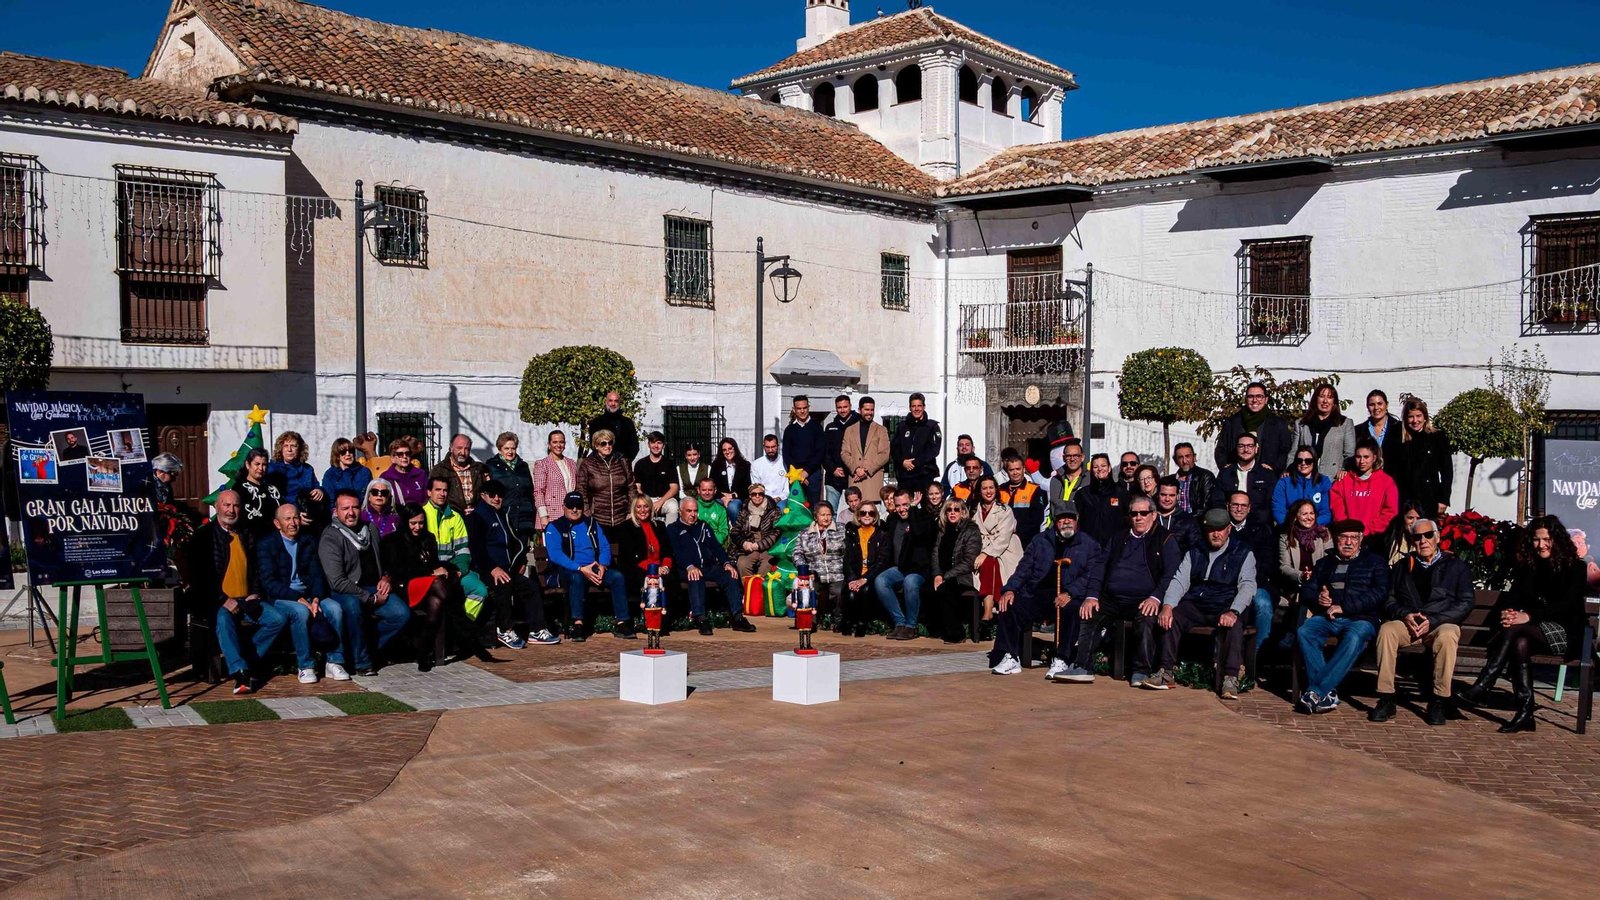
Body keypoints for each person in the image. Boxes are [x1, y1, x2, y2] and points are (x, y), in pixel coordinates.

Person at [1457, 516, 1589, 733]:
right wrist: (1508, 613)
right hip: (1531, 632)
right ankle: (1525, 713)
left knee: (1518, 631)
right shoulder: (1528, 566)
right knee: (1518, 641)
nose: (1541, 545)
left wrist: (1528, 616)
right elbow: (1514, 596)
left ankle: (1483, 685)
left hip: (1565, 633)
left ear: (1557, 539)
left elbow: (1566, 606)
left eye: (1547, 539)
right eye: (1536, 540)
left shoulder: (1575, 567)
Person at [1369, 517, 1475, 726]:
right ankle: (1386, 697)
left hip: (1439, 623)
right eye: (1417, 537)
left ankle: (1438, 700)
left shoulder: (1456, 566)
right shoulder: (1402, 566)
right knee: (1387, 630)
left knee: (1448, 635)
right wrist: (1405, 614)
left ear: (1437, 537)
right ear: (1412, 540)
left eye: (1428, 535)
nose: (1423, 541)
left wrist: (1434, 620)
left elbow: (1465, 602)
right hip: (1409, 622)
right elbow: (1389, 599)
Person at [1071, 495, 1179, 687]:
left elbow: (1171, 573)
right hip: (1112, 597)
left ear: (1153, 515)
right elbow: (1100, 566)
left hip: (1144, 599)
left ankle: (1141, 670)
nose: (1139, 517)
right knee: (1089, 612)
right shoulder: (1119, 537)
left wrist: (1155, 597)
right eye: (1134, 513)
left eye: (1143, 513)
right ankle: (1082, 667)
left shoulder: (1165, 539)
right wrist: (1092, 595)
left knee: (1146, 619)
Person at [1153, 508, 1257, 698]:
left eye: (1220, 529)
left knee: (1234, 625)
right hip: (1198, 602)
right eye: (1211, 530)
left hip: (1226, 603)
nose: (1216, 534)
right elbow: (1180, 580)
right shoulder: (1195, 551)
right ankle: (1165, 671)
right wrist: (1167, 606)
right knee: (1171, 616)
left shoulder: (1242, 552)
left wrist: (1234, 611)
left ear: (1229, 529)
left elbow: (1248, 586)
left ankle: (1230, 677)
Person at [992, 502, 1103, 679]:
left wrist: (1071, 592)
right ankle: (1011, 656)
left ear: (1077, 520)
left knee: (1074, 610)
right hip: (1039, 593)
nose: (1066, 522)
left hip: (1069, 595)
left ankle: (1062, 658)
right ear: (1054, 520)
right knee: (1010, 604)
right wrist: (1010, 589)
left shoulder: (1089, 545)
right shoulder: (1040, 540)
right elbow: (1024, 568)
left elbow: (1091, 574)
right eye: (1061, 518)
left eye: (1070, 518)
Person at [191, 490, 281, 694]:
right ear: (217, 507)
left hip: (246, 598)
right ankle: (240, 672)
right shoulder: (203, 536)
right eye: (226, 505)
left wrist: (256, 592)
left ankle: (245, 661)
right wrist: (223, 599)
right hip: (217, 601)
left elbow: (257, 568)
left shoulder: (246, 533)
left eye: (235, 506)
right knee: (222, 620)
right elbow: (199, 576)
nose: (231, 510)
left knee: (276, 619)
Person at [1295, 519, 1390, 713]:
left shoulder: (1375, 562)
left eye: (1353, 538)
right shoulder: (1324, 563)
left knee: (1354, 637)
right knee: (1306, 631)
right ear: (1336, 539)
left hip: (1361, 619)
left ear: (1360, 540)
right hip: (1328, 618)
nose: (1348, 542)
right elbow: (1307, 591)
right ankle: (1327, 694)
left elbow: (1380, 594)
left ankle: (1316, 691)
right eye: (1343, 537)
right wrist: (1318, 598)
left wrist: (1344, 607)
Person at [381, 502, 490, 671]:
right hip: (405, 586)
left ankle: (423, 653)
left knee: (436, 603)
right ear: (405, 522)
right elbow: (400, 570)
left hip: (427, 586)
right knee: (438, 584)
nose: (418, 527)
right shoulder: (393, 541)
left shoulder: (428, 538)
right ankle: (469, 632)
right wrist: (430, 573)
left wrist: (446, 569)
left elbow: (433, 564)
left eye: (421, 523)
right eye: (413, 523)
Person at [319, 490, 412, 676]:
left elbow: (385, 561)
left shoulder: (370, 529)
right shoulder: (331, 537)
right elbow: (337, 581)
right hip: (346, 590)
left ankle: (365, 648)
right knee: (353, 608)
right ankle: (362, 662)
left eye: (354, 507)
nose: (351, 512)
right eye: (345, 508)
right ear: (335, 511)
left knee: (401, 614)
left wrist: (386, 577)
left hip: (373, 586)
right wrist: (369, 598)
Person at [469, 480, 562, 645]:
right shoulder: (477, 517)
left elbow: (513, 542)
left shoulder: (502, 514)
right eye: (492, 495)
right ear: (483, 496)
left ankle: (537, 630)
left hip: (507, 569)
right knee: (504, 585)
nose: (497, 498)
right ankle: (504, 630)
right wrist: (492, 568)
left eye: (500, 495)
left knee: (531, 587)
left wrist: (521, 560)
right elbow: (477, 548)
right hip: (486, 570)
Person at [544, 491, 630, 642]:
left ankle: (622, 622)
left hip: (594, 568)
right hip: (568, 570)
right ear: (564, 507)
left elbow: (604, 547)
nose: (574, 510)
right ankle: (578, 624)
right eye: (571, 506)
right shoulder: (555, 526)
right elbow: (555, 554)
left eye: (578, 506)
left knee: (617, 577)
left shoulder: (592, 524)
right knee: (577, 578)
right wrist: (580, 568)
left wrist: (603, 565)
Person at [253, 503, 324, 684]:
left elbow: (317, 573)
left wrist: (316, 598)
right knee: (300, 612)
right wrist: (299, 599)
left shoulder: (308, 541)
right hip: (280, 597)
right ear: (277, 524)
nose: (293, 523)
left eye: (295, 518)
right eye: (287, 519)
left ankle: (336, 660)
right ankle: (305, 666)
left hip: (308, 595)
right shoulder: (267, 544)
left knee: (334, 608)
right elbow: (269, 583)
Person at [666, 500, 758, 635]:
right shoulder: (673, 529)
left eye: (695, 511)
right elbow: (676, 552)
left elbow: (716, 547)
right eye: (689, 511)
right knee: (695, 577)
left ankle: (737, 617)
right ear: (680, 512)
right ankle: (700, 618)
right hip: (685, 568)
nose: (693, 514)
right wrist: (689, 566)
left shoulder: (703, 526)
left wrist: (726, 563)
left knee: (730, 575)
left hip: (708, 566)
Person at [422, 475, 489, 635]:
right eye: (438, 490)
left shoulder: (455, 517)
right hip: (431, 572)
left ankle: (460, 631)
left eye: (445, 490)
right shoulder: (421, 515)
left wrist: (459, 570)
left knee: (479, 590)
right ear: (429, 492)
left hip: (453, 569)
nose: (442, 494)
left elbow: (463, 550)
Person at [875, 488, 936, 640]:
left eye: (906, 505)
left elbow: (919, 533)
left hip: (919, 569)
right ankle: (899, 623)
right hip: (900, 567)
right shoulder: (893, 520)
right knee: (880, 581)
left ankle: (911, 626)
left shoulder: (924, 517)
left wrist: (914, 510)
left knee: (910, 582)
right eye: (898, 505)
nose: (902, 509)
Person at [1223, 490, 1278, 658]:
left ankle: (1255, 657)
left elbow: (1268, 563)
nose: (1239, 509)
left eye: (1243, 505)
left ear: (1249, 508)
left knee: (1263, 606)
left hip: (1255, 583)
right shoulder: (1220, 529)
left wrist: (1251, 585)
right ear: (1228, 507)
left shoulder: (1261, 530)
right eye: (1235, 505)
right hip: (1226, 584)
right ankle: (1221, 659)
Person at [970, 475, 1023, 622]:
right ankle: (988, 611)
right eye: (985, 488)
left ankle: (992, 611)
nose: (988, 491)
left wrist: (985, 553)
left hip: (1006, 549)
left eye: (991, 488)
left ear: (996, 489)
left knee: (989, 562)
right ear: (979, 491)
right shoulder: (975, 511)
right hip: (984, 548)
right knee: (986, 564)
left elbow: (1003, 537)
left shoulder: (1005, 510)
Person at [928, 499, 982, 643]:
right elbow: (935, 554)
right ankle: (937, 628)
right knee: (926, 588)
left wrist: (945, 576)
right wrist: (937, 574)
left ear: (963, 512)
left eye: (956, 509)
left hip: (963, 576)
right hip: (944, 574)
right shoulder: (943, 530)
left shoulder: (971, 530)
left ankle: (957, 633)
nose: (952, 513)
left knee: (946, 590)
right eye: (949, 510)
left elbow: (969, 562)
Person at [1391, 397, 1454, 519]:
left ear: (1425, 417)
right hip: (1404, 498)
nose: (1415, 420)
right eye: (1411, 416)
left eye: (1418, 416)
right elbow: (1393, 471)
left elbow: (1447, 472)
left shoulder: (1437, 437)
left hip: (1429, 497)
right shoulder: (1398, 439)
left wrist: (1444, 499)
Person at [1215, 381, 1295, 473]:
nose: (1255, 400)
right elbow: (1221, 449)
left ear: (1266, 399)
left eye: (1259, 396)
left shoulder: (1278, 424)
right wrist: (1225, 467)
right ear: (1246, 399)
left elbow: (1285, 451)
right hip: (1236, 476)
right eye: (1251, 396)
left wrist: (1274, 468)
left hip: (1267, 477)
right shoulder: (1233, 422)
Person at [792, 501, 847, 628]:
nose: (826, 518)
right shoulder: (805, 533)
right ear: (815, 517)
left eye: (829, 514)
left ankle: (838, 620)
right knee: (808, 589)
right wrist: (805, 570)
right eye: (823, 515)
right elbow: (797, 553)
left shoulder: (841, 529)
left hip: (837, 572)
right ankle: (810, 621)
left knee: (838, 593)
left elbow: (848, 552)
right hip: (813, 572)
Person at [1330, 438, 1399, 536]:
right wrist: (1349, 530)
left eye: (1366, 457)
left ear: (1374, 458)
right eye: (1358, 457)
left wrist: (1368, 530)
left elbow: (1390, 511)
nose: (1362, 461)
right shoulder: (1343, 481)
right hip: (1347, 535)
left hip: (1375, 537)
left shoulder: (1386, 482)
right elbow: (1337, 509)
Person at [1209, 433, 1275, 529]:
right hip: (1230, 527)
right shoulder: (1226, 473)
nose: (1246, 450)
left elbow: (1269, 504)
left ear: (1256, 449)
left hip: (1259, 528)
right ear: (1236, 449)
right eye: (1241, 446)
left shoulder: (1266, 474)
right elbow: (1217, 501)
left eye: (1250, 446)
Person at [615, 494, 673, 599]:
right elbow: (632, 556)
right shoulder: (626, 527)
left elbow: (667, 550)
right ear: (634, 509)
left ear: (650, 508)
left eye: (646, 506)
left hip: (660, 567)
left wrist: (665, 566)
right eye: (639, 507)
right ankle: (648, 613)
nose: (642, 510)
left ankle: (665, 613)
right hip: (638, 568)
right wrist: (654, 569)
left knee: (670, 578)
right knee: (648, 580)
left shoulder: (659, 526)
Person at [842, 503, 887, 638]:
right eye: (863, 513)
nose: (867, 516)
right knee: (850, 593)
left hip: (871, 576)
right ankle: (849, 622)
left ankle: (862, 623)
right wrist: (852, 579)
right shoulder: (852, 533)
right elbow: (847, 559)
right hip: (855, 574)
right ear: (858, 516)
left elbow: (881, 562)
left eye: (870, 513)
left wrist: (865, 578)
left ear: (875, 516)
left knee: (866, 590)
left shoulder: (882, 534)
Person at [1296, 383, 1356, 483]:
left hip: (1333, 479)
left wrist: (1344, 469)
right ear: (1316, 399)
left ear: (1334, 402)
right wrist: (1288, 471)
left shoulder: (1344, 424)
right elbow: (1293, 452)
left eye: (1329, 397)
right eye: (1322, 396)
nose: (1325, 401)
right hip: (1304, 479)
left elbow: (1350, 453)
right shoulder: (1301, 424)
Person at [576, 429, 634, 533]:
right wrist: (587, 512)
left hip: (622, 516)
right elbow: (581, 489)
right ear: (596, 445)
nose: (607, 446)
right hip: (598, 518)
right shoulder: (588, 463)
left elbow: (631, 487)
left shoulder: (622, 461)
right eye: (603, 443)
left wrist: (631, 511)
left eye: (610, 442)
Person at [486, 432, 537, 549]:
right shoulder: (492, 466)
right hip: (504, 518)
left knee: (521, 557)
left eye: (513, 448)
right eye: (506, 448)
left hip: (524, 519)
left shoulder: (523, 466)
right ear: (500, 449)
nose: (510, 452)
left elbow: (530, 492)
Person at [1279, 499, 1332, 605]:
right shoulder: (1285, 538)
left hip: (1319, 585)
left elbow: (1330, 561)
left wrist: (1315, 575)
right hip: (1296, 586)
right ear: (1295, 517)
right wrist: (1301, 575)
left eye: (1312, 513)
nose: (1309, 517)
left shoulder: (1324, 534)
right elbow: (1284, 567)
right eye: (1304, 514)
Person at [840, 395, 891, 503]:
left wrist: (866, 469)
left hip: (872, 481)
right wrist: (856, 469)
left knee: (872, 514)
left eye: (872, 410)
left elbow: (884, 454)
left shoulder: (881, 430)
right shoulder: (850, 430)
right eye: (867, 409)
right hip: (855, 480)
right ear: (859, 410)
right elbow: (844, 453)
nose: (870, 412)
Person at [891, 392, 942, 499]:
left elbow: (934, 450)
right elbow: (894, 448)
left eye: (919, 406)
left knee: (924, 508)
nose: (916, 409)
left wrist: (915, 462)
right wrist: (902, 462)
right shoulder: (902, 427)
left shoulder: (932, 426)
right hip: (905, 475)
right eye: (913, 406)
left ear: (924, 407)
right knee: (905, 507)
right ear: (910, 407)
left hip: (924, 474)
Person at [728, 482, 781, 577]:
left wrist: (759, 545)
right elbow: (735, 531)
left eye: (760, 494)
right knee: (742, 564)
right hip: (749, 546)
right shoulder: (744, 510)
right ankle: (749, 589)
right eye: (754, 494)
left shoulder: (773, 510)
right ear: (750, 495)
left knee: (767, 566)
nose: (757, 496)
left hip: (767, 547)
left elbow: (776, 533)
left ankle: (760, 589)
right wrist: (743, 543)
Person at [232, 448, 285, 541]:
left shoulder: (272, 489)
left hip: (273, 540)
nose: (260, 468)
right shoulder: (239, 488)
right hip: (250, 540)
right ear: (248, 465)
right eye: (257, 464)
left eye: (264, 465)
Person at [532, 429, 579, 532]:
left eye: (561, 442)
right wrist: (543, 515)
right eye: (555, 442)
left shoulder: (571, 463)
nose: (558, 445)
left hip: (571, 513)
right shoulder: (542, 464)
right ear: (549, 445)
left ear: (565, 444)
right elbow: (538, 491)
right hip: (551, 515)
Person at [782, 395, 825, 507]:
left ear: (808, 408)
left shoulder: (817, 428)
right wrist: (798, 474)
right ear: (794, 410)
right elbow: (786, 454)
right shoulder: (789, 430)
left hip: (813, 475)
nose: (802, 411)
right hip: (795, 475)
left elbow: (820, 452)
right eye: (799, 408)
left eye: (804, 408)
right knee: (797, 508)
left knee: (813, 507)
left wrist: (806, 472)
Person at [429, 433, 488, 515]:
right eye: (459, 448)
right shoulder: (439, 470)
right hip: (450, 516)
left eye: (466, 449)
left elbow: (485, 495)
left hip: (476, 516)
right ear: (451, 448)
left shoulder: (478, 469)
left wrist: (477, 510)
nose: (463, 452)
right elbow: (434, 498)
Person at [1273, 448, 1333, 527]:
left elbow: (1326, 512)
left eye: (1308, 461)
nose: (1303, 463)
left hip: (1316, 529)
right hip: (1290, 528)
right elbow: (1278, 510)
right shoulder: (1284, 483)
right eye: (1299, 460)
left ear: (1314, 462)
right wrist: (1294, 525)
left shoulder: (1323, 482)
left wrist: (1310, 526)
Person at [270, 431, 325, 515]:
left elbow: (316, 486)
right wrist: (297, 514)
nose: (289, 449)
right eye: (286, 446)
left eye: (293, 446)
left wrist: (319, 490)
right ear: (281, 449)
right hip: (285, 513)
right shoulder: (273, 469)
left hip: (307, 511)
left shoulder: (307, 469)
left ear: (299, 449)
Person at [1075, 453, 1125, 546]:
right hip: (1089, 546)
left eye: (1103, 465)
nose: (1099, 469)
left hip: (1114, 546)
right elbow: (1078, 522)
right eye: (1095, 467)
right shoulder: (1082, 494)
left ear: (1109, 468)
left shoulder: (1121, 493)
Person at [821, 395, 860, 515]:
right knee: (830, 512)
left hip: (854, 476)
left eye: (845, 407)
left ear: (850, 407)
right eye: (839, 407)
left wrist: (854, 469)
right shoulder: (830, 427)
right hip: (833, 478)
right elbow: (825, 452)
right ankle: (831, 534)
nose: (842, 410)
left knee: (857, 511)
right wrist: (833, 469)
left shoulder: (859, 425)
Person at [632, 431, 680, 524]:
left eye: (659, 443)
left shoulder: (669, 464)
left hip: (664, 500)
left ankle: (669, 536)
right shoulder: (640, 464)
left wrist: (661, 501)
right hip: (646, 499)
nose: (656, 446)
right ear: (648, 445)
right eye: (653, 442)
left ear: (664, 446)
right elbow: (637, 487)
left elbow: (674, 488)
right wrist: (646, 501)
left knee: (673, 507)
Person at [999, 457, 1048, 538]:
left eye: (1018, 469)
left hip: (1026, 539)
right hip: (1003, 537)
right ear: (1007, 472)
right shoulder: (1000, 490)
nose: (1015, 472)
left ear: (1023, 469)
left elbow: (1037, 519)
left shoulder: (1034, 490)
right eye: (1011, 470)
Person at [588, 391, 639, 462]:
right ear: (606, 402)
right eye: (610, 401)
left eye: (616, 401)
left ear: (619, 403)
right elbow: (593, 444)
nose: (613, 404)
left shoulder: (628, 422)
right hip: (602, 466)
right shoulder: (596, 422)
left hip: (623, 466)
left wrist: (625, 461)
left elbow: (634, 446)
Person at [1356, 389, 1404, 463]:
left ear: (1386, 405)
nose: (1376, 408)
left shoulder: (1400, 428)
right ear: (1367, 407)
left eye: (1379, 403)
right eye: (1372, 404)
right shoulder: (1358, 430)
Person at [710, 438, 753, 520]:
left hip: (738, 497)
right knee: (717, 505)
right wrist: (723, 497)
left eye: (730, 449)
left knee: (733, 506)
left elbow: (748, 487)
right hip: (720, 497)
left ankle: (736, 530)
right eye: (724, 450)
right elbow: (712, 485)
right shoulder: (716, 465)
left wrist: (732, 496)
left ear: (735, 449)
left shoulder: (745, 465)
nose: (727, 452)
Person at [1154, 477, 1200, 552]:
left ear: (1177, 496)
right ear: (1157, 495)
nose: (1167, 499)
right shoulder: (1148, 517)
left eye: (1172, 495)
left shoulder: (1188, 520)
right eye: (1163, 495)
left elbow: (1195, 549)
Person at [1047, 438, 1088, 523]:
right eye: (1068, 456)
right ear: (1063, 458)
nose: (1072, 459)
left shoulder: (1089, 479)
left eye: (1076, 455)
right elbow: (1052, 508)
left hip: (1081, 529)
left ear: (1082, 457)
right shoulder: (1055, 480)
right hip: (1057, 529)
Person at [1171, 442, 1215, 517]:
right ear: (1175, 460)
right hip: (1173, 522)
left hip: (1196, 523)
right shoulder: (1171, 480)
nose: (1184, 461)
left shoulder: (1205, 477)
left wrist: (1189, 521)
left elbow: (1205, 506)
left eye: (1187, 456)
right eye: (1180, 457)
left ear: (1194, 457)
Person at [381, 439, 429, 506]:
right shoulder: (385, 478)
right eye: (400, 454)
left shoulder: (420, 475)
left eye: (407, 453)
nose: (405, 457)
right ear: (393, 458)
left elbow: (427, 498)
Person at [1378, 500, 1424, 565]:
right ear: (1403, 518)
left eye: (1418, 518)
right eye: (1410, 518)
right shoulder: (1390, 539)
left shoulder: (1426, 540)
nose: (1414, 522)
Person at [749, 434, 789, 507]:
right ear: (764, 447)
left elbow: (787, 487)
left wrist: (779, 498)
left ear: (777, 446)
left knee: (781, 509)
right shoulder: (756, 464)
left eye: (773, 447)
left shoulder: (785, 462)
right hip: (762, 499)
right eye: (767, 447)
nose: (770, 450)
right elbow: (756, 486)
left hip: (782, 499)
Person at [692, 476, 731, 545]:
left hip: (714, 544)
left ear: (715, 490)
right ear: (698, 490)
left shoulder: (720, 509)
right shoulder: (692, 506)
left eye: (710, 490)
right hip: (695, 543)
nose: (707, 493)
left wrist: (712, 542)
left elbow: (723, 531)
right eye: (704, 490)